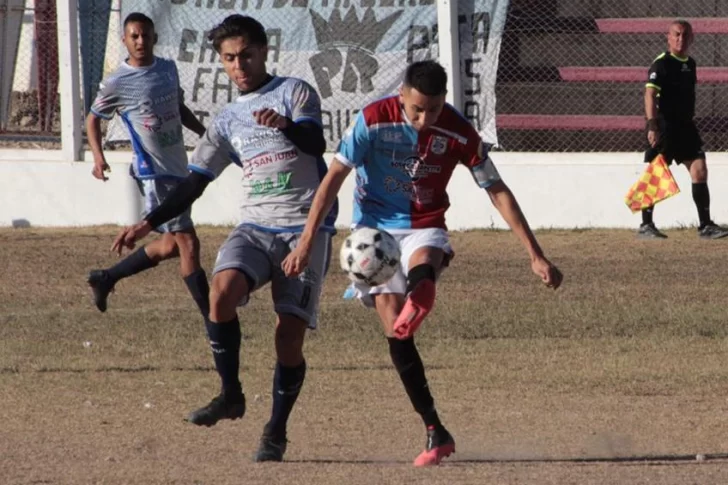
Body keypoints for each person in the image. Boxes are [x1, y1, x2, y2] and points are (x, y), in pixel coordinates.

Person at [282, 60, 563, 467]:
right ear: (401, 94)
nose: (423, 118)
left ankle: (422, 288)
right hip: (373, 230)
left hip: (424, 224)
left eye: (432, 110)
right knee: (397, 333)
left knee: (425, 256)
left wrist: (535, 254)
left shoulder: (458, 131)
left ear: (444, 101)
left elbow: (496, 189)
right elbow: (333, 178)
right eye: (415, 109)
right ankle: (435, 428)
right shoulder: (372, 119)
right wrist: (307, 240)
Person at [110, 14, 336, 463]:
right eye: (229, 59)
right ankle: (231, 395)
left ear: (263, 51)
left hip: (303, 229)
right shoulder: (228, 120)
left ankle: (275, 430)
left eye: (245, 55)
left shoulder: (294, 92)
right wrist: (146, 222)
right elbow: (195, 183)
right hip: (254, 227)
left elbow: (316, 140)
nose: (239, 66)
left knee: (288, 338)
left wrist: (286, 126)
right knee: (220, 294)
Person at [85, 12, 209, 316]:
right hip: (154, 171)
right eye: (134, 36)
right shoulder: (118, 81)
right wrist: (98, 157)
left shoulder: (167, 69)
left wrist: (207, 135)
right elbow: (92, 119)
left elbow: (178, 108)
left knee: (170, 246)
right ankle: (214, 318)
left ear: (155, 38)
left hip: (178, 166)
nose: (140, 41)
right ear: (125, 40)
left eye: (145, 35)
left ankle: (106, 277)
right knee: (188, 243)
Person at [638, 19, 728, 240]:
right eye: (676, 34)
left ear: (692, 38)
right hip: (666, 128)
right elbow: (649, 94)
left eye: (685, 35)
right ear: (668, 38)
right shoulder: (661, 64)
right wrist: (653, 125)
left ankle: (705, 226)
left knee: (700, 170)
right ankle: (646, 225)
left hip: (686, 128)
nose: (681, 39)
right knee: (657, 174)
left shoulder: (691, 64)